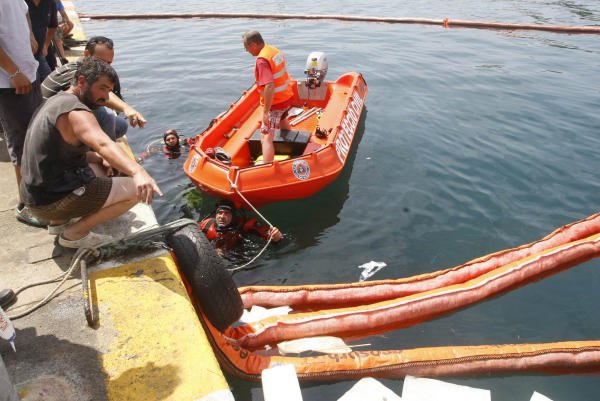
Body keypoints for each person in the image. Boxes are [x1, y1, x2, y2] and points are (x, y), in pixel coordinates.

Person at [19, 57, 162, 249]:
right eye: (101, 88)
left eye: (109, 91)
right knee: (139, 191)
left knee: (104, 164)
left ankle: (58, 223)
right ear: (81, 81)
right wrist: (138, 172)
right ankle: (75, 234)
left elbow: (59, 153)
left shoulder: (57, 100)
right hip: (50, 203)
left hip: (35, 198)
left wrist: (98, 157)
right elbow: (103, 144)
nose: (105, 97)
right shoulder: (77, 112)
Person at [42, 35, 145, 141]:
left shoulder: (86, 68)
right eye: (100, 61)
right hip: (50, 125)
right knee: (106, 115)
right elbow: (103, 94)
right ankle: (104, 152)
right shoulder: (75, 72)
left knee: (121, 126)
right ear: (87, 54)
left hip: (61, 116)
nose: (105, 67)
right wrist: (126, 108)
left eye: (109, 63)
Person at [0, 0, 45, 227]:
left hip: (29, 71)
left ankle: (37, 195)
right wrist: (13, 71)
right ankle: (26, 205)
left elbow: (24, 11)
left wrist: (30, 35)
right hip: (10, 81)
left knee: (36, 136)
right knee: (21, 143)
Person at [242, 31, 294, 163]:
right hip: (287, 97)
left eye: (246, 48)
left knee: (266, 136)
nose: (247, 51)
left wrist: (265, 112)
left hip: (276, 103)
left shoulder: (262, 61)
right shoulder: (273, 50)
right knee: (282, 119)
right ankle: (295, 148)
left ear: (253, 44)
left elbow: (269, 86)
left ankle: (267, 167)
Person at [199, 199, 282, 255]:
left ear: (234, 216)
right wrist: (212, 251)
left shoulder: (245, 225)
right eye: (219, 213)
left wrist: (276, 237)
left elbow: (270, 237)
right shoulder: (207, 224)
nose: (222, 216)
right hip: (213, 254)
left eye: (227, 213)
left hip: (240, 255)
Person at [26, 0, 57, 81]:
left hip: (38, 54)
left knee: (50, 82)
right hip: (21, 55)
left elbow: (53, 26)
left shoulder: (50, 3)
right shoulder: (20, 2)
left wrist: (46, 45)